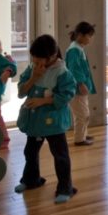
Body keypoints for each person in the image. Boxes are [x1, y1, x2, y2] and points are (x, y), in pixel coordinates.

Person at [15, 35, 78, 204]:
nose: (35, 62)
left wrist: (42, 101)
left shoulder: (62, 72)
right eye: (34, 58)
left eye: (39, 59)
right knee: (30, 152)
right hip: (34, 121)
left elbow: (67, 94)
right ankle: (31, 180)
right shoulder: (33, 68)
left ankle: (65, 188)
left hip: (53, 123)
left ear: (52, 56)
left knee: (60, 156)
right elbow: (21, 92)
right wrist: (34, 77)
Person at [65, 21, 97, 147]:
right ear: (81, 35)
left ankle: (82, 134)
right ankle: (79, 139)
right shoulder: (75, 50)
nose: (90, 39)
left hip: (80, 88)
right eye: (89, 36)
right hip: (77, 88)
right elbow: (74, 69)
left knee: (83, 112)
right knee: (82, 114)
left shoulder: (77, 48)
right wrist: (80, 83)